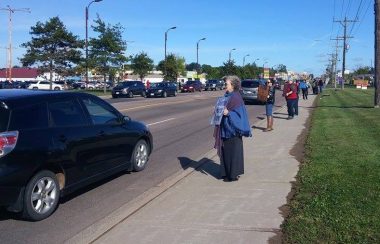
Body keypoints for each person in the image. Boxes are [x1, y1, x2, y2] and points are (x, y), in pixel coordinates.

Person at [213, 75, 251, 182]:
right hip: (225, 129)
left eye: (227, 84)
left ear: (233, 85)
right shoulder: (227, 95)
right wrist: (218, 109)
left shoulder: (236, 97)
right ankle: (225, 172)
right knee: (226, 152)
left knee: (233, 153)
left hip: (233, 130)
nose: (225, 85)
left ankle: (233, 174)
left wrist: (228, 113)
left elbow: (240, 115)